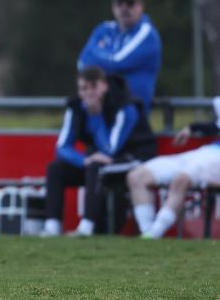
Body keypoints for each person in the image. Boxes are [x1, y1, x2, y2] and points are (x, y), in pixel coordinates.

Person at [41, 66, 156, 237]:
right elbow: (62, 147)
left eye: (93, 87)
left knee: (96, 166)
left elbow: (110, 149)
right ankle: (52, 227)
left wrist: (96, 116)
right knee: (55, 169)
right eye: (83, 88)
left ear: (104, 85)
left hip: (132, 159)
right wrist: (83, 160)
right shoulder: (76, 107)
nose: (88, 93)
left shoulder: (126, 106)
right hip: (99, 161)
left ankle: (86, 228)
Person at [127, 97, 220, 239]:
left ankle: (154, 233)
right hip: (206, 151)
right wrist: (192, 128)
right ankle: (146, 233)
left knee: (181, 180)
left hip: (216, 159)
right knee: (137, 176)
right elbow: (216, 126)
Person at [77, 0, 162, 112]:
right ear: (113, 6)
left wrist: (97, 55)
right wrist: (110, 59)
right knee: (73, 108)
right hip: (101, 111)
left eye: (130, 3)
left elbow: (118, 62)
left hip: (131, 113)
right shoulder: (104, 29)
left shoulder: (147, 33)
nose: (124, 8)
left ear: (140, 6)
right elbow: (82, 62)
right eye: (119, 3)